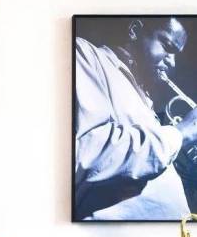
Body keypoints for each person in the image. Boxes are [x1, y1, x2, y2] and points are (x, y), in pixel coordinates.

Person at [75, 16, 197, 220]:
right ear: (134, 30)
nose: (172, 62)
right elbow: (89, 153)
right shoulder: (88, 55)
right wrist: (180, 133)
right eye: (167, 47)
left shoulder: (144, 98)